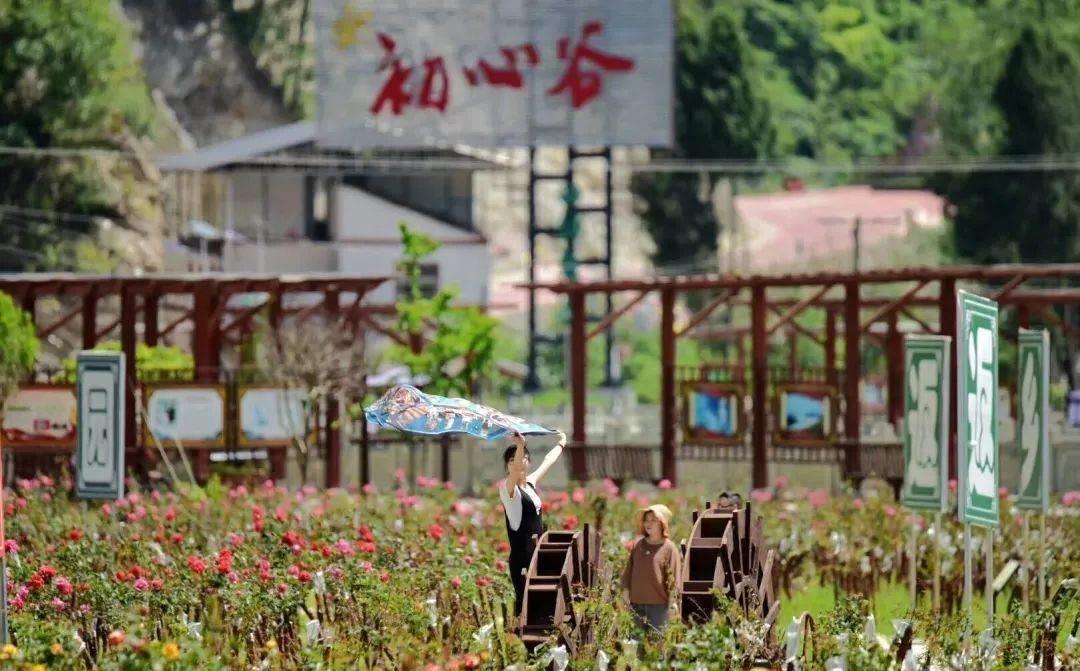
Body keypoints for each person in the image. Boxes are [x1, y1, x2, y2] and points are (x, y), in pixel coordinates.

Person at [499, 430, 566, 620]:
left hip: (538, 554)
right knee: (526, 608)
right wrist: (520, 446)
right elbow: (516, 469)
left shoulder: (530, 483)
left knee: (545, 608)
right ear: (508, 466)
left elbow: (548, 461)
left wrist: (562, 442)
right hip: (522, 559)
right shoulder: (508, 490)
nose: (518, 462)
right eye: (511, 460)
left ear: (528, 462)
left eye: (522, 458)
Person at [621, 503, 680, 634]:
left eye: (653, 520)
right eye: (646, 520)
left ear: (662, 524)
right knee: (637, 647)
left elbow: (674, 579)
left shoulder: (669, 548)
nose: (648, 523)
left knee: (656, 649)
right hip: (636, 605)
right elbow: (629, 571)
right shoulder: (638, 545)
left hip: (659, 607)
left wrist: (672, 603)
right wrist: (625, 593)